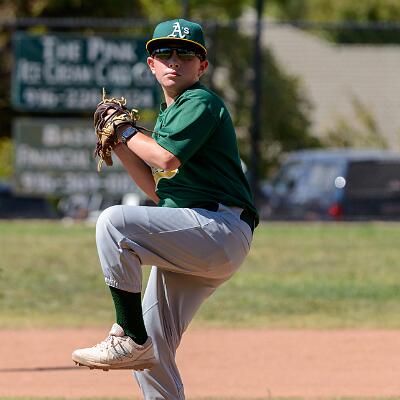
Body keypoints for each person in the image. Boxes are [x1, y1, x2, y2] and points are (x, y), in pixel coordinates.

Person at [72, 18, 259, 399]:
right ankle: (138, 344)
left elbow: (165, 158)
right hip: (197, 233)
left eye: (186, 54)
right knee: (152, 353)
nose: (174, 60)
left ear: (201, 66)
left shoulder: (200, 102)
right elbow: (158, 190)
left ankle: (128, 335)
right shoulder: (169, 115)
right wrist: (120, 143)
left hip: (219, 227)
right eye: (164, 52)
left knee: (114, 222)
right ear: (151, 64)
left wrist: (126, 130)